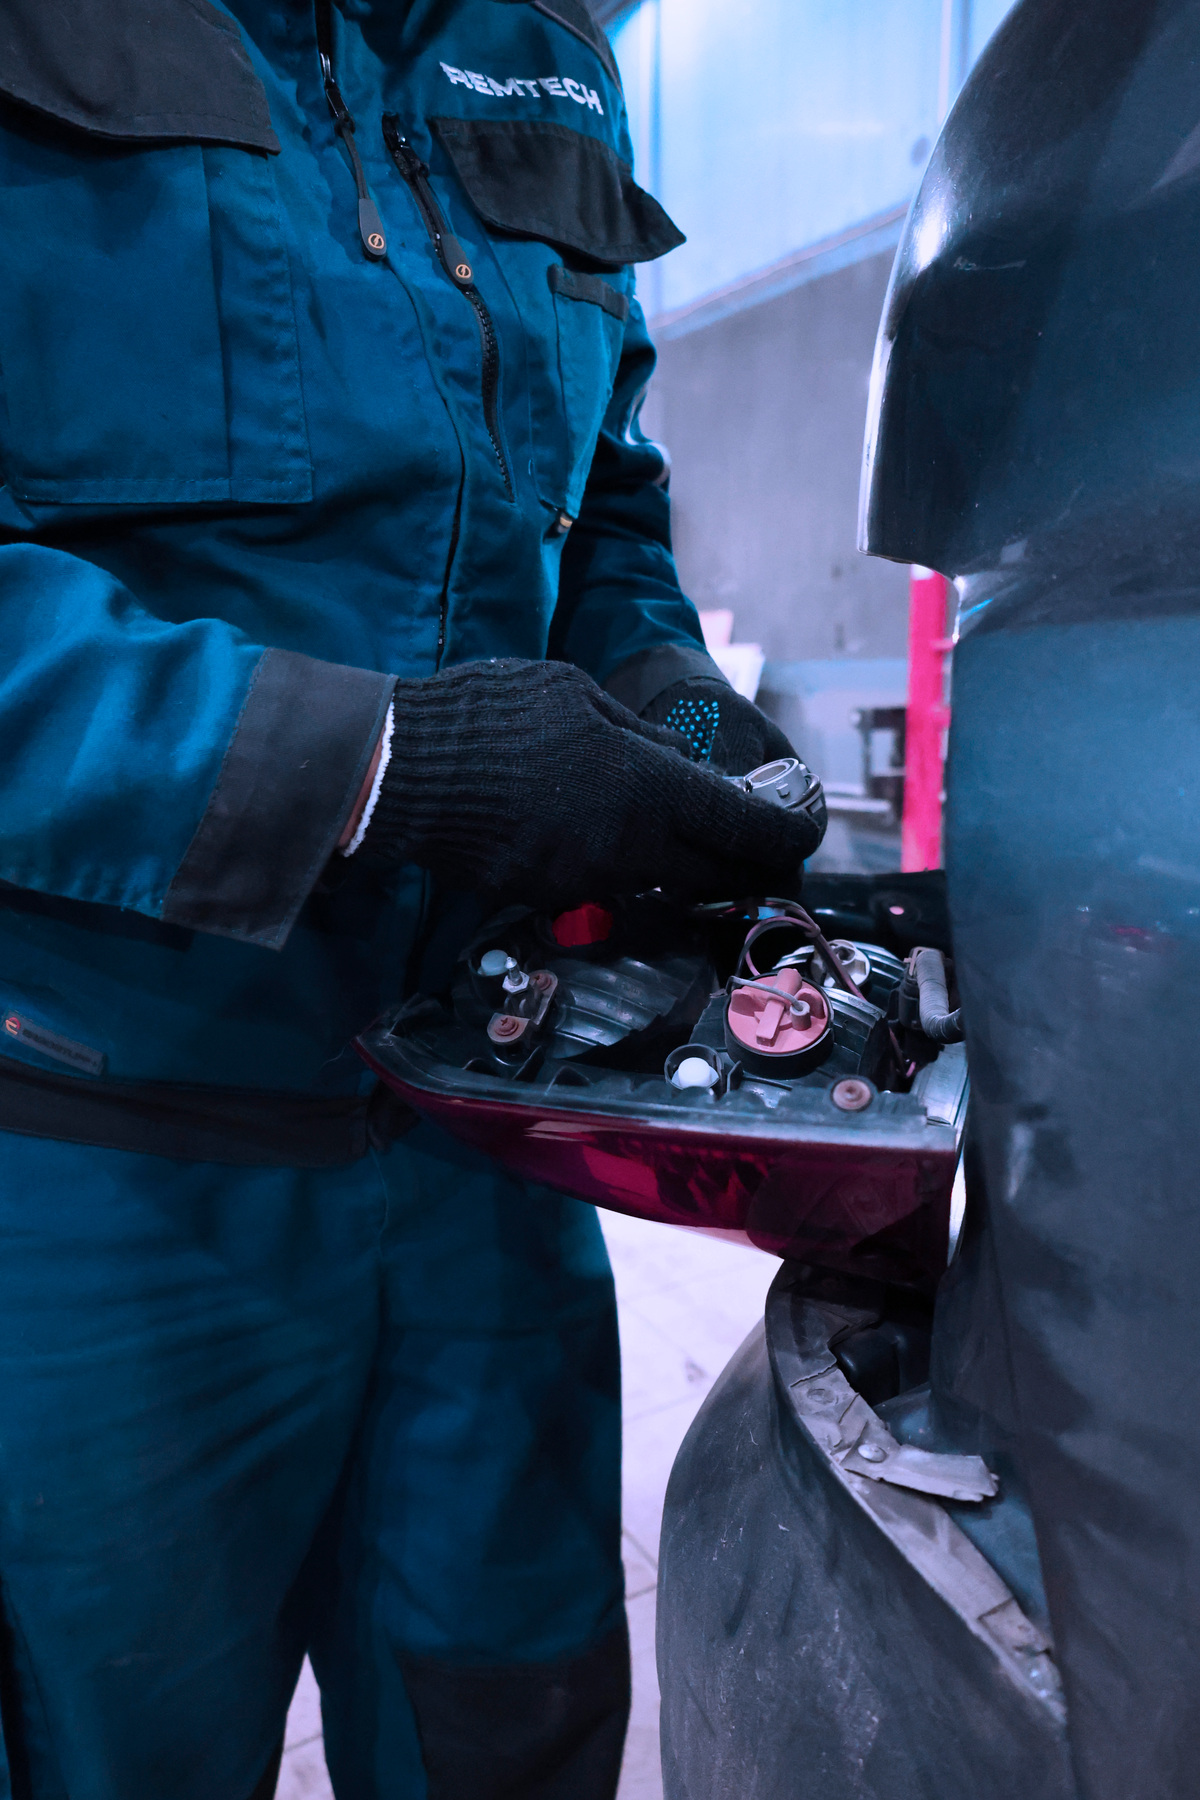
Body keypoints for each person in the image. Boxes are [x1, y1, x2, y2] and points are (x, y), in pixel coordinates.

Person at [0, 3, 824, 1796]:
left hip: (486, 1147)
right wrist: (379, 764)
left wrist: (680, 707)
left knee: (507, 1723)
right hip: (94, 1160)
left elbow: (600, 513)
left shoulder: (544, 48)